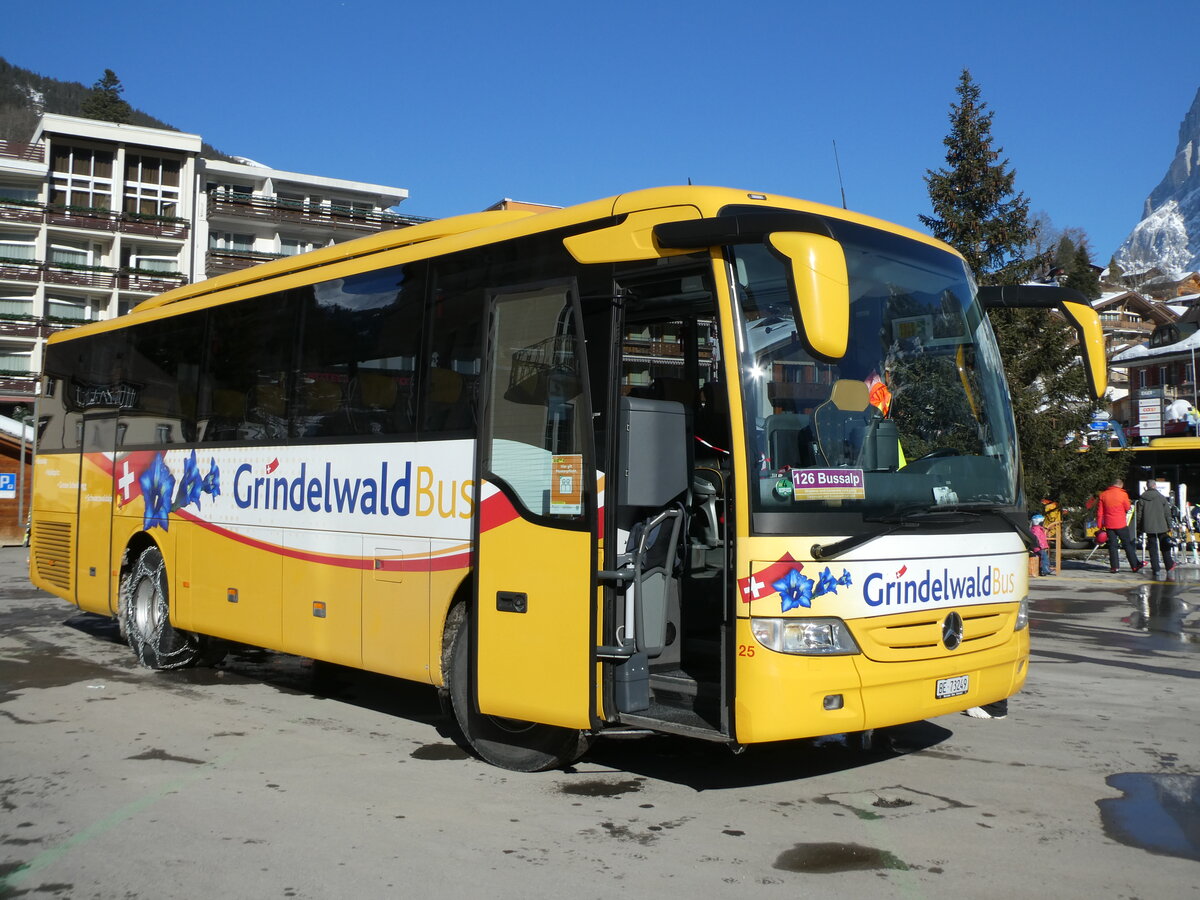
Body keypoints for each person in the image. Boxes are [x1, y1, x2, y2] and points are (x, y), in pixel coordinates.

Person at [1097, 478, 1142, 573]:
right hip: (1121, 523)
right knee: (1127, 545)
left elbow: (1100, 512)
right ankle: (1134, 565)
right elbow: (1128, 507)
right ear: (1121, 485)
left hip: (1109, 524)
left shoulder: (1103, 495)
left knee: (1112, 546)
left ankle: (1114, 567)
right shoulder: (1123, 494)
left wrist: (1100, 525)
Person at [1137, 478, 1176, 576]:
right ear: (1154, 486)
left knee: (1152, 548)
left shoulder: (1142, 498)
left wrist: (1139, 526)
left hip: (1148, 527)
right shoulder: (1161, 497)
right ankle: (1169, 565)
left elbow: (1139, 515)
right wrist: (1170, 525)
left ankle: (1156, 568)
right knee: (1165, 546)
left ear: (1147, 487)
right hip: (1162, 525)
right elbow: (1167, 513)